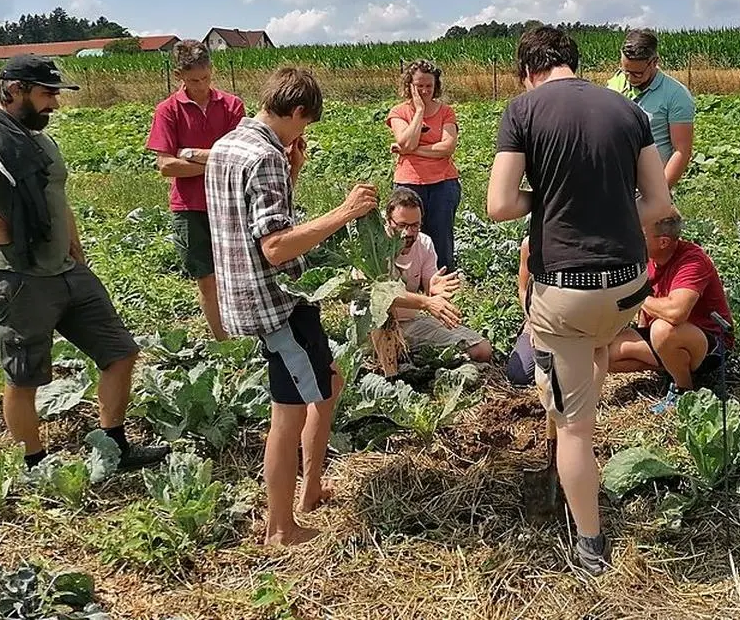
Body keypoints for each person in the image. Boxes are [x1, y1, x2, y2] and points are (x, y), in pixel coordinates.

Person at [0, 54, 169, 472]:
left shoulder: (39, 139)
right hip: (21, 278)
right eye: (47, 93)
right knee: (24, 376)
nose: (55, 102)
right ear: (14, 90)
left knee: (120, 353)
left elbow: (57, 196)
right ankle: (35, 465)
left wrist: (77, 249)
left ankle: (116, 446)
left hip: (68, 272)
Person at [487, 26, 671, 576]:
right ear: (575, 61)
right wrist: (608, 214)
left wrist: (545, 202)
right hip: (628, 286)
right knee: (591, 358)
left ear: (527, 70)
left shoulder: (523, 110)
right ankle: (566, 462)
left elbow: (499, 204)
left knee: (573, 427)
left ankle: (589, 542)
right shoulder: (628, 109)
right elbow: (659, 201)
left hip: (567, 291)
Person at [203, 66, 379, 546]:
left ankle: (312, 487)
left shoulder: (227, 146)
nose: (302, 134)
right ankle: (280, 526)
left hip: (243, 292)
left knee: (328, 383)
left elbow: (250, 220)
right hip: (276, 303)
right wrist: (345, 212)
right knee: (290, 412)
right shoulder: (263, 157)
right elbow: (276, 247)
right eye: (305, 123)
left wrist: (293, 173)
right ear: (297, 111)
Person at [146, 39, 245, 341]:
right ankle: (224, 343)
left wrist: (189, 154)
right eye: (193, 80)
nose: (201, 85)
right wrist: (215, 163)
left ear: (212, 70)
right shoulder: (168, 111)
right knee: (207, 279)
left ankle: (245, 331)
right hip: (190, 207)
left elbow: (240, 156)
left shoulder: (232, 105)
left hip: (228, 202)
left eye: (205, 78)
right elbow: (165, 166)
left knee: (238, 274)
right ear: (179, 76)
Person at [609, 209, 733, 407]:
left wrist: (635, 296)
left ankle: (684, 389)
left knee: (662, 329)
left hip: (710, 345)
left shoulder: (692, 261)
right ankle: (673, 364)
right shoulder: (646, 257)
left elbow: (676, 313)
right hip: (671, 337)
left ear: (663, 242)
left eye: (638, 233)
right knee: (607, 352)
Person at [384, 187, 493, 363]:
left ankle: (429, 361)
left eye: (415, 225)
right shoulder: (373, 246)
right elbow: (381, 296)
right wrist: (426, 302)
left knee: (482, 349)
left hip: (410, 322)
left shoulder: (424, 243)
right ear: (389, 221)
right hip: (375, 329)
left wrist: (434, 291)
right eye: (402, 225)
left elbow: (431, 287)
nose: (408, 233)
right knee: (391, 357)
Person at [387, 60, 461, 272]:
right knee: (405, 235)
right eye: (419, 85)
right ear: (409, 85)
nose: (425, 90)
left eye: (429, 85)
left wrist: (411, 151)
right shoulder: (399, 112)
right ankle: (404, 278)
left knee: (441, 237)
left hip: (443, 182)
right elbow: (406, 141)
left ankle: (442, 281)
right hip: (408, 181)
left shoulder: (446, 112)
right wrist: (419, 111)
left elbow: (447, 147)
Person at [607, 29, 696, 188]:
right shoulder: (614, 84)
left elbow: (682, 152)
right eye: (625, 71)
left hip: (649, 186)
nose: (630, 78)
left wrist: (659, 194)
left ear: (654, 62)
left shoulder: (676, 95)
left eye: (637, 74)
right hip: (615, 184)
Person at [505, 236, 535, 386]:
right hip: (539, 320)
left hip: (574, 322)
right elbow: (523, 289)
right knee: (518, 375)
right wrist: (533, 322)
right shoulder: (530, 244)